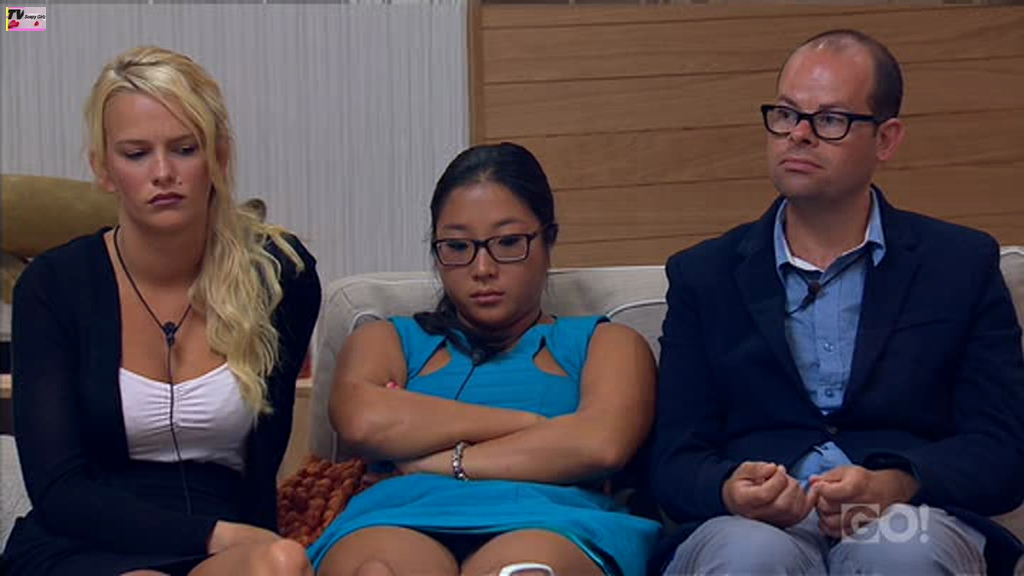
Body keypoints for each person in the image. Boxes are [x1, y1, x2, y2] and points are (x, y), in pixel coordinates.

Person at [650, 29, 1024, 575]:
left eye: (829, 120)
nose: (798, 135)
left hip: (906, 510)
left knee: (905, 552)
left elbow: (1001, 450)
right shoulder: (703, 274)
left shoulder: (959, 264)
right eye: (786, 114)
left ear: (886, 140)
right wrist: (730, 488)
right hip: (758, 523)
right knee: (749, 556)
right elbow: (673, 458)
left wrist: (897, 483)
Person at [2, 46, 321, 575]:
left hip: (224, 533)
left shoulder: (279, 275)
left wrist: (249, 538)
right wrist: (217, 535)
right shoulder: (53, 286)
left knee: (283, 561)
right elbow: (58, 490)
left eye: (185, 149)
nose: (163, 172)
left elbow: (264, 460)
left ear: (218, 157)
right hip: (83, 539)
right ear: (103, 169)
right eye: (136, 154)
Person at [306, 142, 661, 576]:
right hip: (396, 517)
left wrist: (434, 461)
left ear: (548, 239)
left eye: (508, 242)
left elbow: (599, 444)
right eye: (457, 247)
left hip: (552, 522)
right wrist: (533, 426)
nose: (482, 268)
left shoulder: (605, 343)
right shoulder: (387, 339)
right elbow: (362, 422)